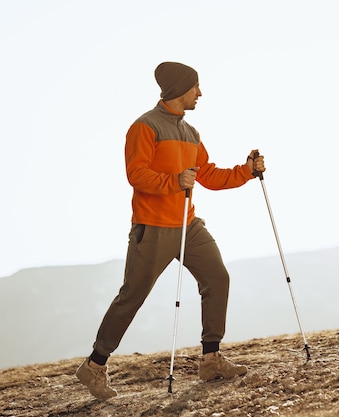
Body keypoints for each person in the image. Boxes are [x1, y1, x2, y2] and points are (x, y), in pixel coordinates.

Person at [75, 61, 266, 399]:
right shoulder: (144, 127)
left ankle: (211, 359)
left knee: (217, 277)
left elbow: (208, 174)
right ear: (179, 89)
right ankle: (94, 367)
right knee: (132, 297)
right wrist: (174, 181)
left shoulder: (191, 132)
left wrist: (246, 171)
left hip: (188, 225)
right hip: (153, 227)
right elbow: (137, 174)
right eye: (196, 87)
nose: (200, 93)